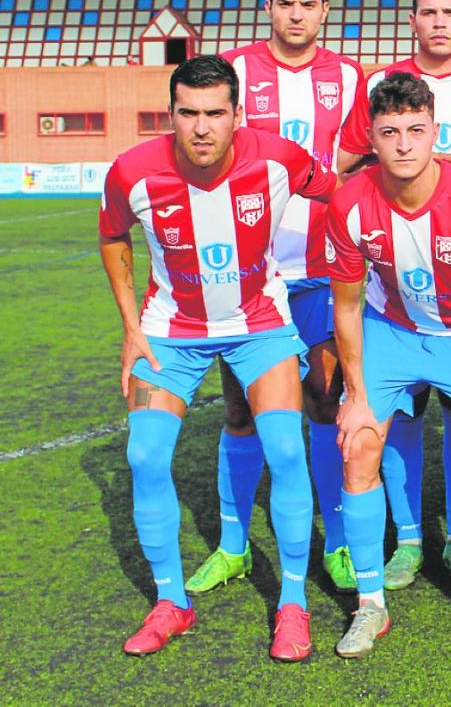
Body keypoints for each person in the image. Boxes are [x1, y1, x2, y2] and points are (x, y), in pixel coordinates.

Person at [99, 55, 337, 661]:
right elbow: (111, 236)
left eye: (214, 114)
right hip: (170, 330)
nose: (201, 127)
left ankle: (291, 603)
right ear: (171, 115)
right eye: (188, 114)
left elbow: (340, 192)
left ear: (237, 114)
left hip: (259, 325)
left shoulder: (282, 158)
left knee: (286, 449)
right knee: (144, 456)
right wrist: (130, 328)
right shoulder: (132, 173)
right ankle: (171, 601)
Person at [188, 0, 365, 596]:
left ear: (323, 10)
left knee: (323, 401)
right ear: (269, 6)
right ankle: (234, 544)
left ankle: (338, 542)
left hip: (319, 269)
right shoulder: (233, 70)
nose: (296, 14)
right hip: (247, 272)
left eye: (307, 4)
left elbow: (346, 170)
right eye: (284, 2)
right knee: (240, 410)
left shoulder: (348, 75)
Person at [336, 0, 451, 593]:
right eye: (427, 12)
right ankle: (408, 538)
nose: (439, 22)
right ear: (412, 20)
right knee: (398, 423)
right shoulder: (381, 85)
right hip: (395, 291)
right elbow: (344, 162)